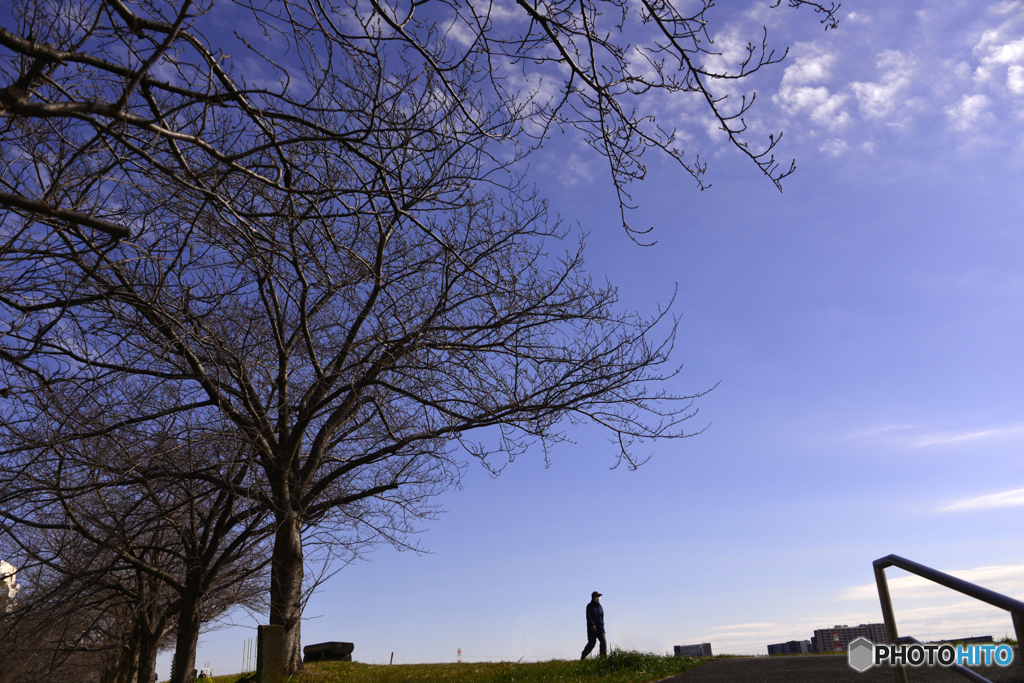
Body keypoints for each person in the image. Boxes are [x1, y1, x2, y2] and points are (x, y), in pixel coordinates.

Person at [581, 591, 607, 659]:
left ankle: (603, 659)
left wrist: (602, 625)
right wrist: (592, 625)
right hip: (592, 630)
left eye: (599, 596)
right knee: (592, 644)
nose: (599, 598)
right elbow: (589, 617)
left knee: (604, 644)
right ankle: (583, 655)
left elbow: (602, 617)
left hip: (601, 629)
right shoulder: (589, 606)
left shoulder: (600, 607)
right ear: (593, 598)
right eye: (597, 596)